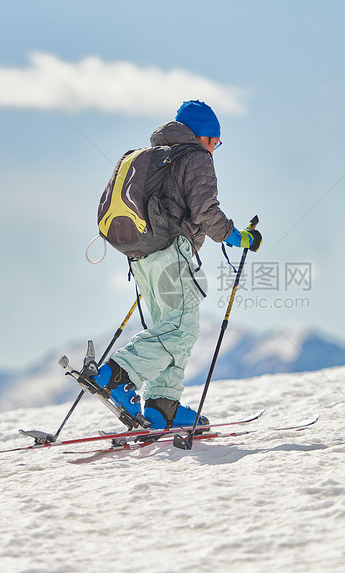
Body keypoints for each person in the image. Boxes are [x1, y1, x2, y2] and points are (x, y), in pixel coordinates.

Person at [86, 100, 261, 430]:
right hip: (170, 252)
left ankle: (162, 406)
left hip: (141, 256)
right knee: (181, 328)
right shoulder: (195, 158)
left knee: (170, 327)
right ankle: (115, 375)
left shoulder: (156, 159)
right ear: (205, 136)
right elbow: (206, 213)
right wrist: (239, 237)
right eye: (216, 141)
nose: (215, 148)